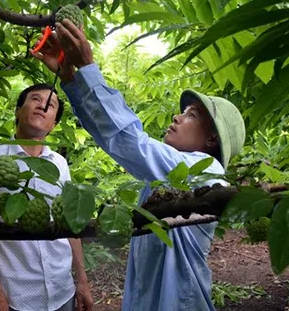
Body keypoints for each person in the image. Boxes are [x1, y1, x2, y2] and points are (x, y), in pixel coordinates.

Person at [31, 20, 246, 311]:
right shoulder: (168, 177)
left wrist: (89, 68)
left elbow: (130, 141)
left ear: (211, 140)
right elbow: (115, 140)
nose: (177, 118)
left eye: (191, 115)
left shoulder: (205, 173)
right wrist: (69, 77)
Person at [0, 84, 93, 311]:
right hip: (16, 294)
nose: (42, 105)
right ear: (17, 111)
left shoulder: (59, 164)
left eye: (50, 105)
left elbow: (70, 224)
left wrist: (82, 279)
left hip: (62, 290)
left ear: (53, 125)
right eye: (35, 99)